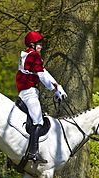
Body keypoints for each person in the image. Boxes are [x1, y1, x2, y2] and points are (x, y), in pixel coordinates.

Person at [16, 31, 67, 162]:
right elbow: (42, 76)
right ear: (32, 44)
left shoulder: (29, 55)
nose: (41, 47)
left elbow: (43, 71)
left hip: (27, 90)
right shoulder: (33, 56)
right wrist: (55, 90)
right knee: (38, 120)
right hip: (29, 92)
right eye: (39, 44)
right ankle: (33, 152)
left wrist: (57, 85)